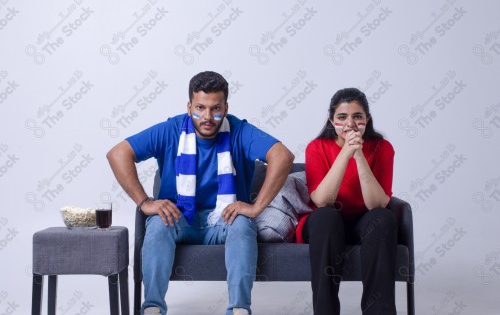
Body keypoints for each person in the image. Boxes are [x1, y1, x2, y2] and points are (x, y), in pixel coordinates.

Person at [106, 71, 294, 315]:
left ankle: (239, 309)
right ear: (189, 106)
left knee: (243, 224)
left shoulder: (239, 130)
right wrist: (144, 202)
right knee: (157, 223)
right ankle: (152, 307)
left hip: (223, 220)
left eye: (215, 108)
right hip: (180, 218)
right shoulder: (170, 130)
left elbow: (282, 156)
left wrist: (256, 208)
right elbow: (118, 153)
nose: (207, 116)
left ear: (226, 107)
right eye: (200, 108)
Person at [296, 88, 398, 315]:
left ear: (367, 120)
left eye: (357, 117)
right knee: (325, 216)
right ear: (332, 121)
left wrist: (359, 155)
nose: (350, 124)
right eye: (342, 117)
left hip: (366, 222)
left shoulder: (382, 148)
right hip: (327, 225)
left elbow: (377, 204)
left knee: (383, 218)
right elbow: (322, 200)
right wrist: (345, 153)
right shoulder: (317, 147)